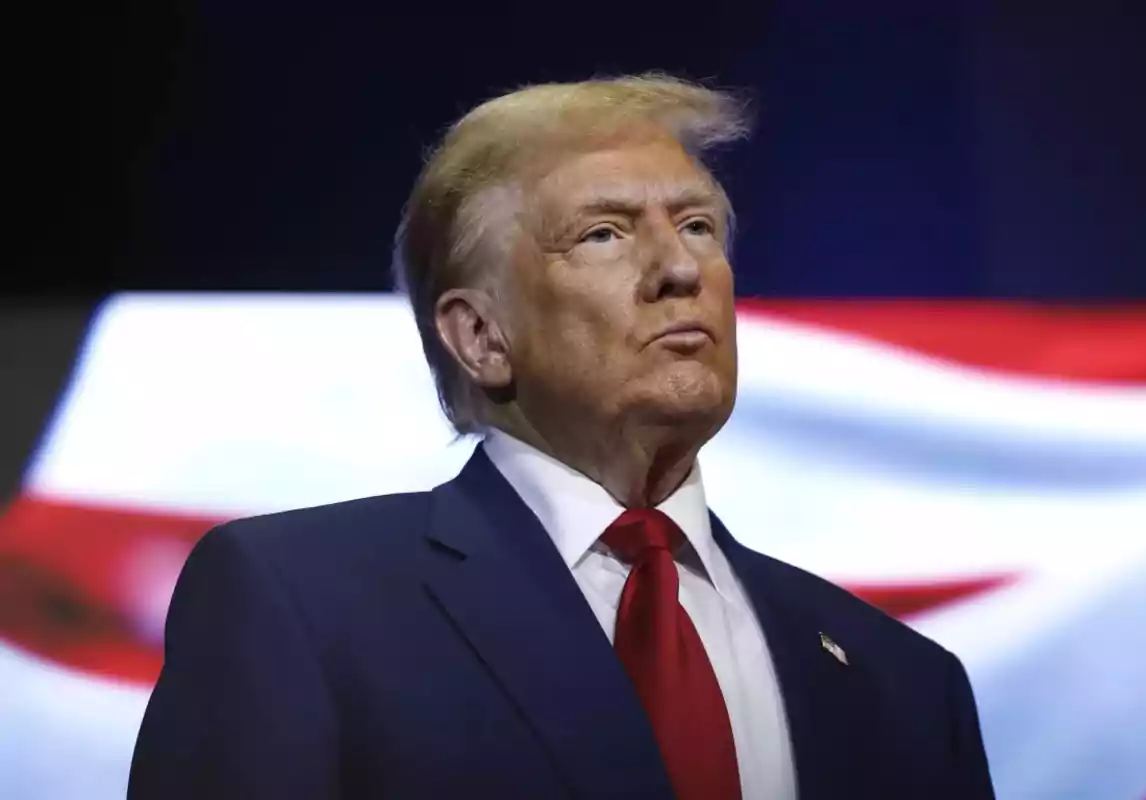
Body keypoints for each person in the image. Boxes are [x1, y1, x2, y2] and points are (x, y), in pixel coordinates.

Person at [128, 74, 995, 800]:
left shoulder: (904, 685)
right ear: (481, 337)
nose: (680, 269)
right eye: (605, 234)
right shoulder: (303, 605)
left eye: (697, 225)